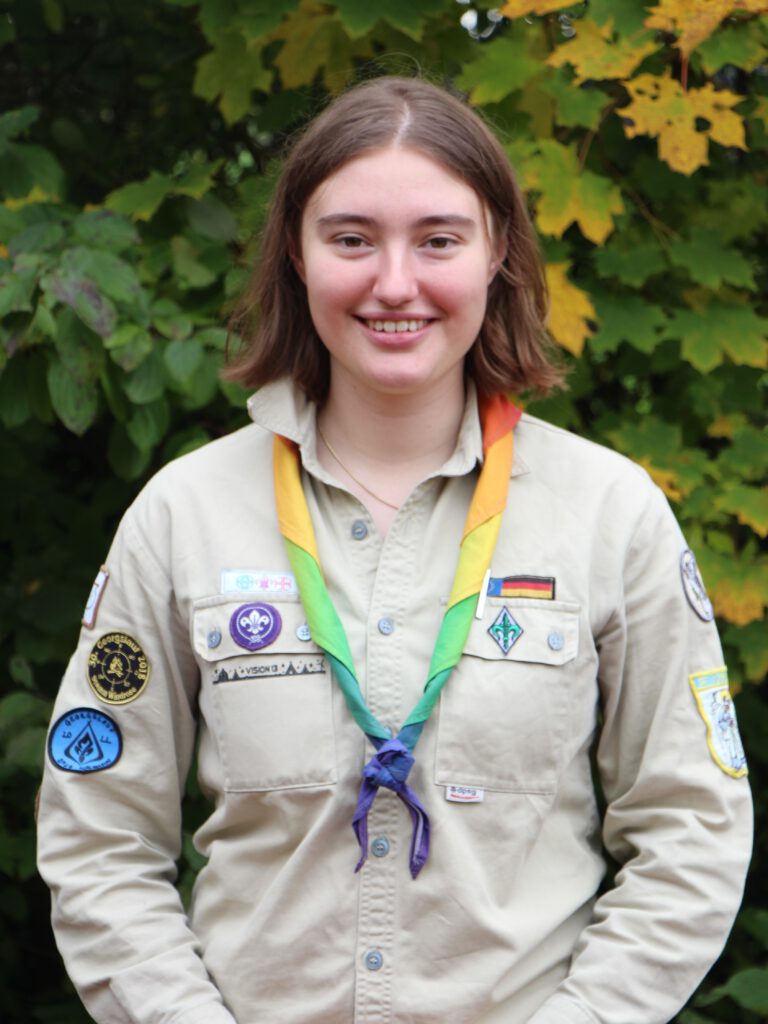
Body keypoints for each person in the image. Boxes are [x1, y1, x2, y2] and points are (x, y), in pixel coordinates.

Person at [37, 76, 752, 1024]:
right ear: (296, 255)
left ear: (498, 251)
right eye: (351, 239)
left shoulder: (610, 514)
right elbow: (98, 838)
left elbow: (692, 832)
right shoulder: (183, 513)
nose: (395, 283)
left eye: (439, 240)